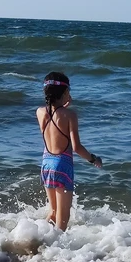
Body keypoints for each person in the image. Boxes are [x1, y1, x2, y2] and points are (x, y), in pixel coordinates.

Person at [37, 71, 102, 231]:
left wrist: (63, 106)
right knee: (62, 220)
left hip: (46, 164)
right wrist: (93, 159)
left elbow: (54, 118)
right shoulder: (70, 115)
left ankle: (36, 238)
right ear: (65, 92)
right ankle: (52, 251)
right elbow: (77, 147)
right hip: (62, 166)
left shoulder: (40, 112)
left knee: (52, 212)